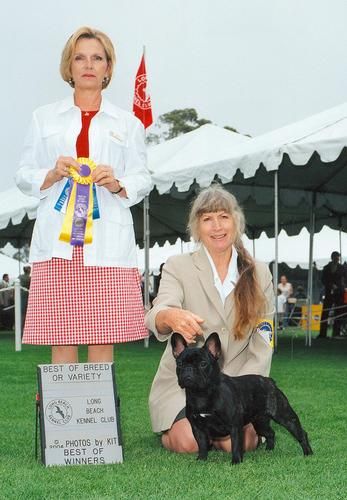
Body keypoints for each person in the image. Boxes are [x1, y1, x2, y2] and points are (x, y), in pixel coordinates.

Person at [15, 27, 152, 364]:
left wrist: (118, 183)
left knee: (103, 341)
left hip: (106, 244)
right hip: (59, 246)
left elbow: (142, 177)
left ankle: (98, 417)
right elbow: (22, 174)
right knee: (61, 340)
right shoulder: (43, 117)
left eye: (97, 58)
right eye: (80, 57)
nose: (88, 64)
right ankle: (64, 416)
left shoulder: (128, 123)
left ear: (108, 67)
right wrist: (49, 174)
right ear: (69, 66)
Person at [145, 184, 274, 455]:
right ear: (196, 227)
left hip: (236, 385)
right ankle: (178, 428)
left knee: (242, 444)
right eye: (207, 219)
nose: (217, 226)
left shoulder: (260, 272)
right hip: (186, 386)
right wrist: (169, 316)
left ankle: (223, 433)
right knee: (189, 443)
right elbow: (159, 310)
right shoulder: (178, 265)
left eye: (224, 217)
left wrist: (243, 393)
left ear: (236, 221)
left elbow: (264, 341)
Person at [317, 251, 345, 339]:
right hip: (329, 293)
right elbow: (323, 280)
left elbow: (344, 278)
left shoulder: (342, 268)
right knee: (325, 313)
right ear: (332, 258)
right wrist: (330, 285)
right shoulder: (326, 268)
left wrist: (340, 286)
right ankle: (322, 333)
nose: (337, 259)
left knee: (338, 312)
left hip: (339, 293)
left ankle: (336, 333)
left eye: (338, 258)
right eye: (336, 257)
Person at [19, 265, 31, 330]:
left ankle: (21, 328)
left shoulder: (20, 277)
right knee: (25, 314)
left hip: (20, 296)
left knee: (22, 314)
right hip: (26, 297)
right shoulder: (29, 278)